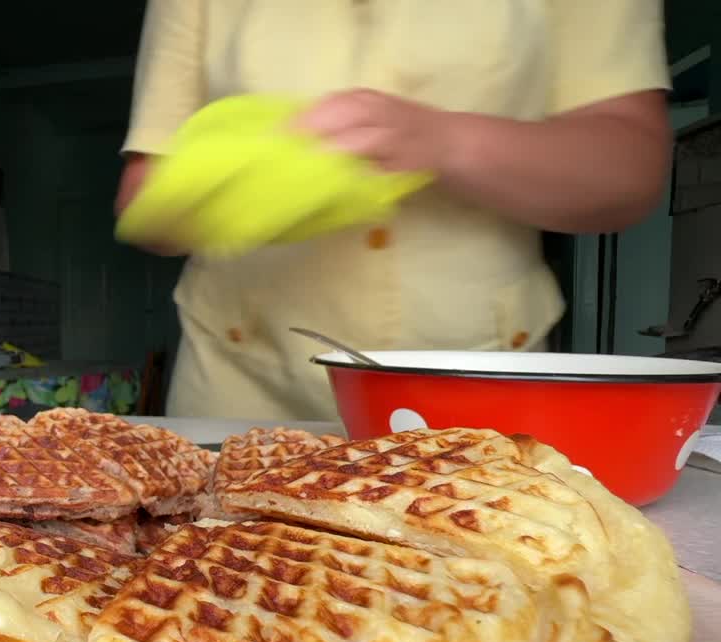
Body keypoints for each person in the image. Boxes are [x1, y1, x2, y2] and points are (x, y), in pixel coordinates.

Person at [117, 0, 671, 421]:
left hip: (482, 386)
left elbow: (631, 168)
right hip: (238, 387)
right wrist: (265, 176)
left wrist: (447, 141)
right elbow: (144, 191)